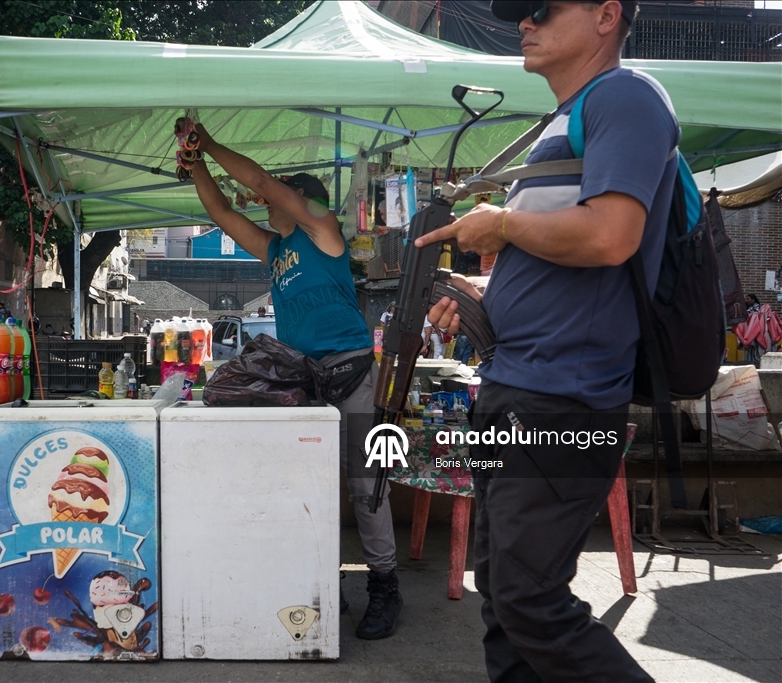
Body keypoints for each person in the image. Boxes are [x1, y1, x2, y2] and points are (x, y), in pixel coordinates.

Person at [420, 2, 659, 680]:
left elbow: (612, 235)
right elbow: (560, 264)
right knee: (501, 589)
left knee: (528, 598)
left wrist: (501, 224)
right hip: (520, 388)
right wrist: (482, 295)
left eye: (542, 6)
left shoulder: (625, 97)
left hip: (562, 399)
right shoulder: (562, 122)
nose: (523, 19)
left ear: (607, 14)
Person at [190, 127, 402, 640]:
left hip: (352, 372)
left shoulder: (323, 230)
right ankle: (322, 584)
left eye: (276, 195)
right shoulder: (274, 248)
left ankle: (385, 586)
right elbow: (221, 214)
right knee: (309, 487)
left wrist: (212, 143)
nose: (263, 199)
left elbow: (260, 179)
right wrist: (195, 163)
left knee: (364, 485)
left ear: (302, 201)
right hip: (304, 377)